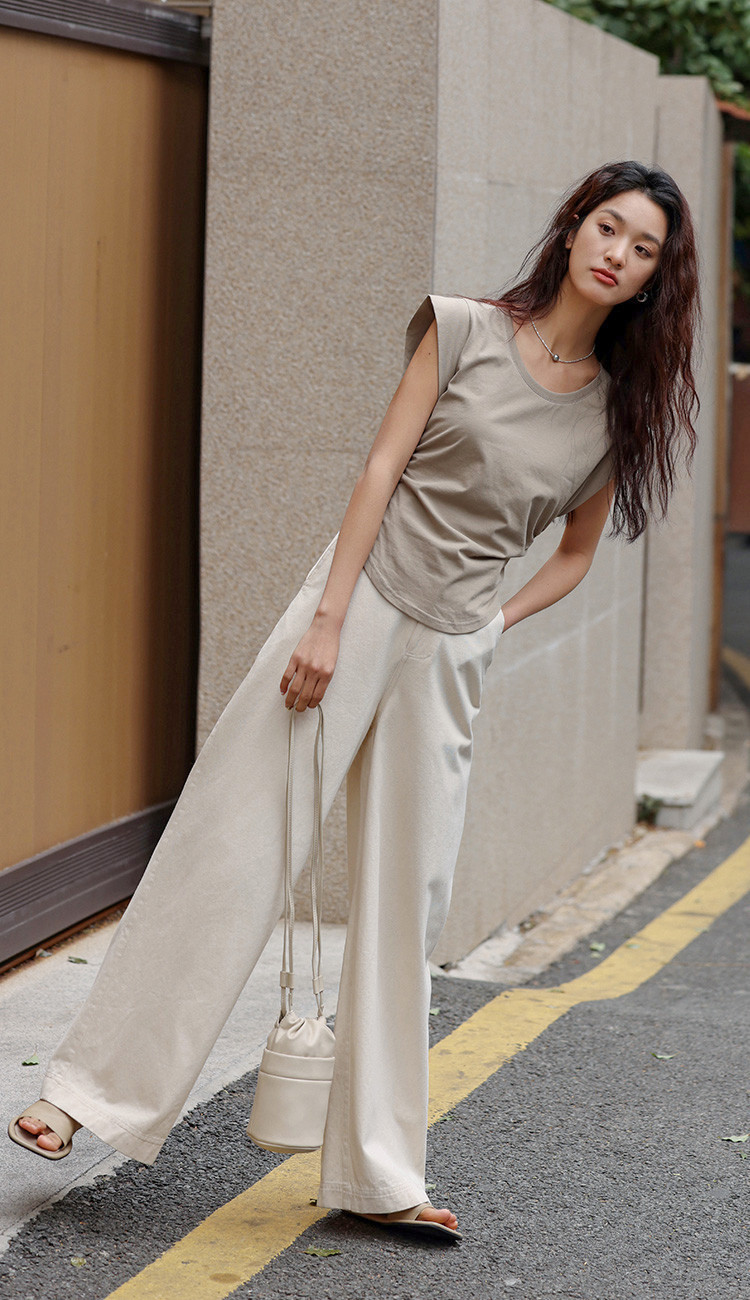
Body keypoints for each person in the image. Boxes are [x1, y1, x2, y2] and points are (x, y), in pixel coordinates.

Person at [8, 159, 700, 1243]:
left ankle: (379, 1174)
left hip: (450, 652)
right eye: (608, 227)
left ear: (656, 278)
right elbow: (381, 468)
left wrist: (493, 626)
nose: (618, 252)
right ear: (574, 229)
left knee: (402, 905)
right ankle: (86, 1096)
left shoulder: (616, 413)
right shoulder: (463, 330)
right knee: (232, 841)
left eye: (643, 247)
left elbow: (575, 553)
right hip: (357, 601)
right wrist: (327, 620)